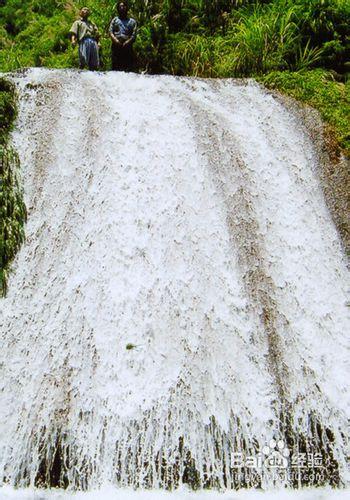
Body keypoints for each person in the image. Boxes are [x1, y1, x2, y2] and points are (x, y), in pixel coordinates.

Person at [109, 2, 137, 72]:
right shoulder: (115, 20)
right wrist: (115, 40)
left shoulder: (132, 21)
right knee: (116, 66)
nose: (122, 8)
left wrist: (128, 42)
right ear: (118, 9)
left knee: (127, 67)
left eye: (124, 6)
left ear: (127, 8)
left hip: (128, 46)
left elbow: (134, 34)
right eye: (120, 6)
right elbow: (110, 31)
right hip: (116, 45)